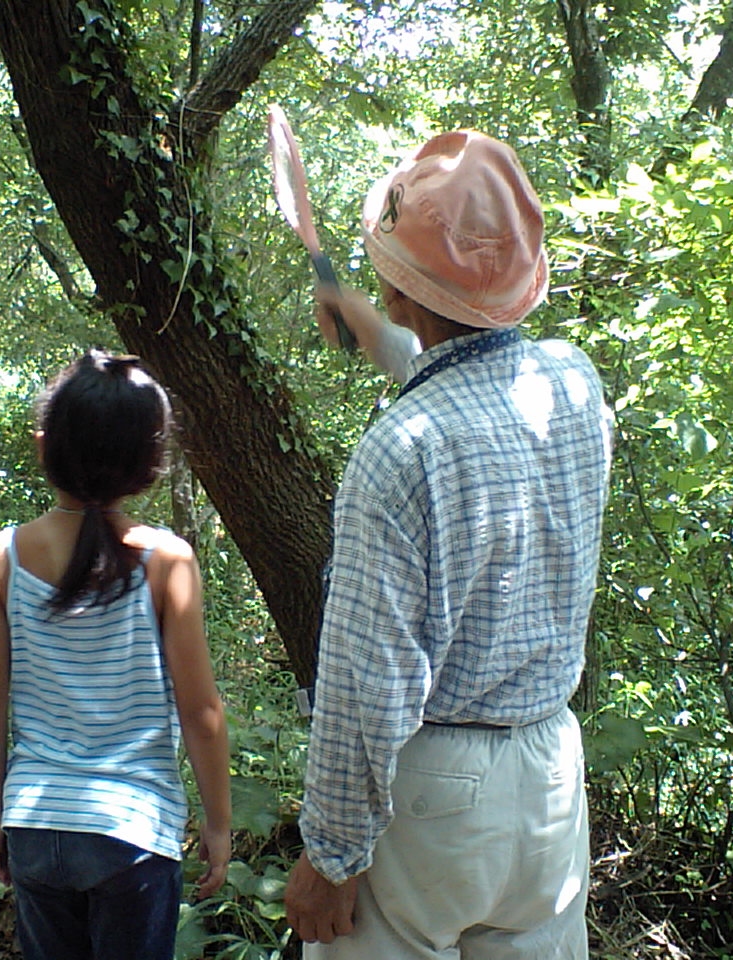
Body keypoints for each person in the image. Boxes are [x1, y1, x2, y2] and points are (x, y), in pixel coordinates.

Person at [284, 130, 614, 958]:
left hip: (432, 797)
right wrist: (370, 318)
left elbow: (366, 686)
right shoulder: (572, 384)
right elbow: (469, 381)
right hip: (549, 783)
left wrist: (330, 853)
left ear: (400, 296)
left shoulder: (400, 453)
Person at [0, 350, 231, 960]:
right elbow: (202, 712)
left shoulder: (2, 555)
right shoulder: (167, 560)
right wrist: (218, 824)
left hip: (36, 819)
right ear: (150, 462)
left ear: (43, 446)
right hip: (132, 832)